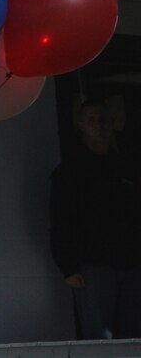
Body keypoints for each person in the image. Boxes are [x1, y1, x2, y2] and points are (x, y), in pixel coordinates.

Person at [49, 98, 141, 339]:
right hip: (93, 265)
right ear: (81, 125)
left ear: (112, 123)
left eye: (103, 119)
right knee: (101, 337)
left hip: (131, 262)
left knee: (133, 335)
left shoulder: (126, 167)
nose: (99, 125)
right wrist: (67, 266)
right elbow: (60, 220)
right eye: (91, 120)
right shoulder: (70, 171)